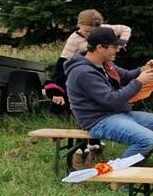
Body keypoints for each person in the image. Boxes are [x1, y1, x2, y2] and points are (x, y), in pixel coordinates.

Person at [64, 27, 153, 160]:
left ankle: (136, 160)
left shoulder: (104, 64)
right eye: (114, 46)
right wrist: (140, 82)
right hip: (98, 121)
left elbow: (126, 76)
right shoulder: (83, 72)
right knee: (147, 140)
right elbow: (112, 100)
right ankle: (117, 171)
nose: (118, 49)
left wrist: (144, 69)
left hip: (117, 114)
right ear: (99, 47)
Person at [45, 9, 132, 168]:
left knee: (103, 108)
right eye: (86, 31)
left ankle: (95, 148)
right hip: (83, 77)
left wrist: (120, 44)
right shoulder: (74, 39)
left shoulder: (106, 29)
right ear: (79, 26)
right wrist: (56, 91)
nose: (89, 34)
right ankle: (81, 152)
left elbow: (126, 29)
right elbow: (61, 64)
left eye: (93, 31)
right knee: (86, 116)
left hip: (101, 74)